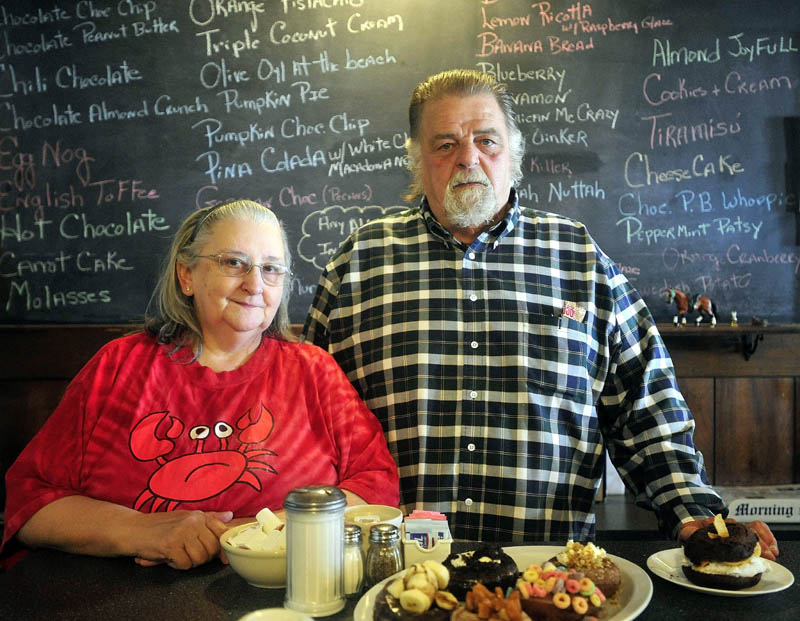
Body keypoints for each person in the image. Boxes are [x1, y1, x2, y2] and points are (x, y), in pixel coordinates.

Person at [302, 69, 779, 559]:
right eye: (445, 145)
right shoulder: (358, 265)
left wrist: (693, 510)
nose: (468, 158)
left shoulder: (580, 259)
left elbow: (646, 408)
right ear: (417, 162)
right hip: (391, 576)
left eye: (487, 140)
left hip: (550, 582)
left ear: (515, 154)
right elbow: (303, 418)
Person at [2, 200, 399, 570]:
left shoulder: (315, 371)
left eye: (271, 268)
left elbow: (376, 485)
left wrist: (256, 533)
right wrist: (140, 531)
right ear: (186, 274)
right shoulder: (117, 366)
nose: (254, 283)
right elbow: (28, 500)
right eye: (234, 262)